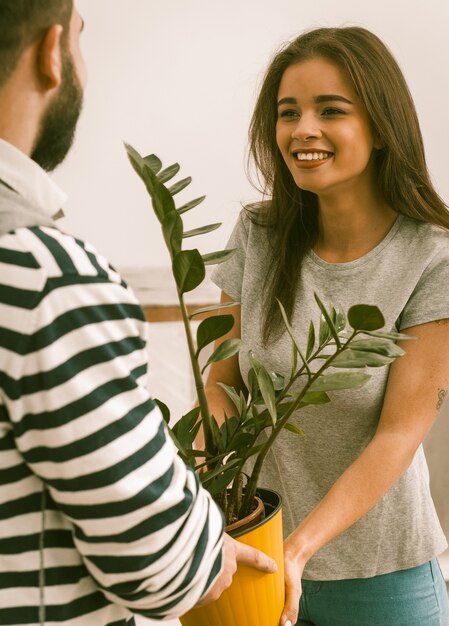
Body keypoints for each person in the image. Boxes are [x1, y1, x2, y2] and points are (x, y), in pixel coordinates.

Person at [0, 2, 277, 625]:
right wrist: (205, 552)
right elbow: (156, 561)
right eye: (79, 41)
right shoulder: (43, 276)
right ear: (51, 54)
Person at [207, 26, 449, 626]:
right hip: (252, 561)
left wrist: (299, 548)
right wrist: (211, 506)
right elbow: (218, 383)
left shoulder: (434, 258)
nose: (302, 130)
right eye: (287, 112)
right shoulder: (258, 235)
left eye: (331, 110)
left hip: (380, 577)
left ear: (380, 128)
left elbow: (398, 436)